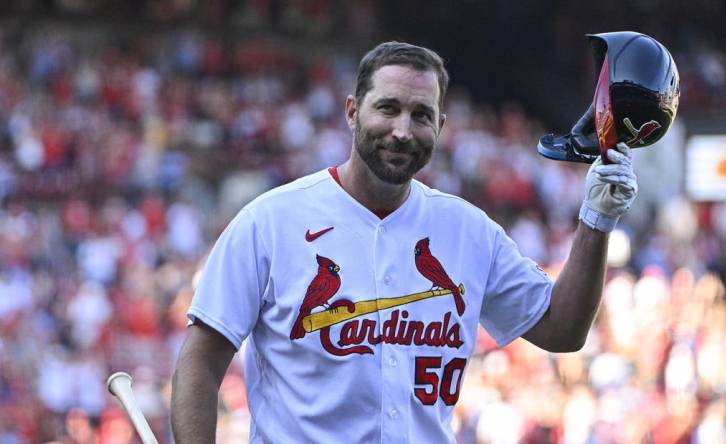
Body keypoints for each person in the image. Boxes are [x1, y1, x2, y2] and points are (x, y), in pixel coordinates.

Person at [170, 41, 638, 443]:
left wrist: (596, 220)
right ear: (353, 111)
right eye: (388, 108)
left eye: (421, 115)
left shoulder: (469, 231)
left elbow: (562, 329)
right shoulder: (269, 222)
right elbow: (202, 360)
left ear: (440, 125)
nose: (402, 130)